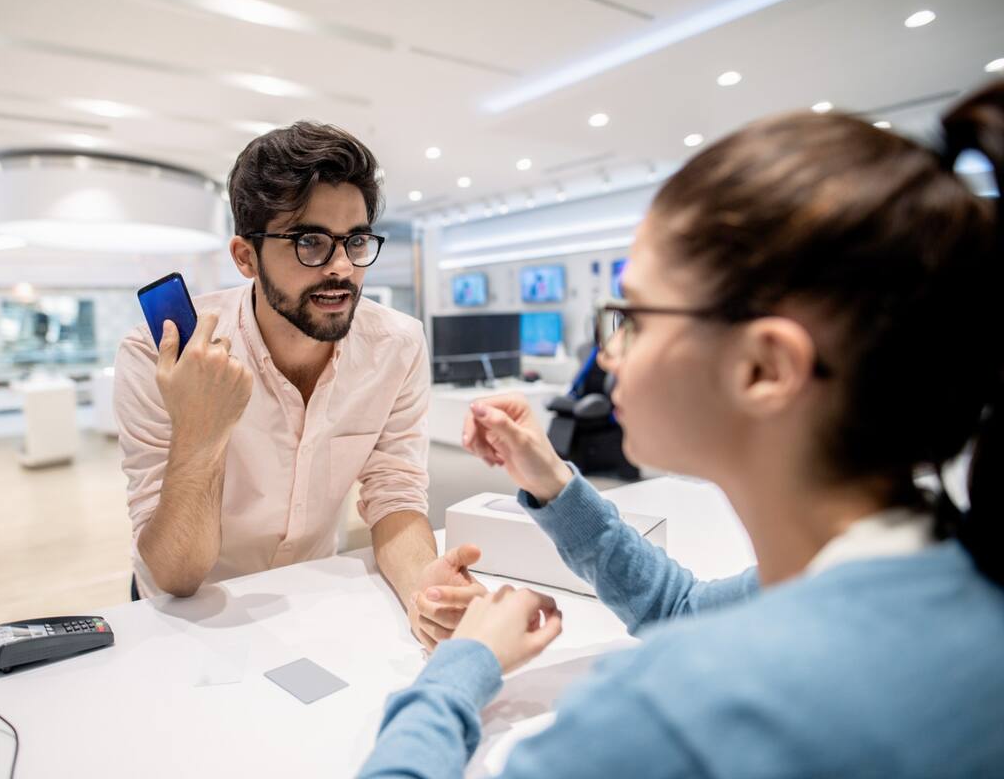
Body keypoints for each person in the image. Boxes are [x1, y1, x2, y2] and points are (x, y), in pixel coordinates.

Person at [359, 82, 1004, 777]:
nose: (608, 353)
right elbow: (684, 607)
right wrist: (551, 483)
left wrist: (463, 666)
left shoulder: (676, 717)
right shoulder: (943, 579)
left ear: (763, 368)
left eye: (634, 316)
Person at [114, 122, 483, 649]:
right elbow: (177, 573)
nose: (341, 268)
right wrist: (203, 429)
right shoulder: (159, 355)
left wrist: (425, 585)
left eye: (355, 241)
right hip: (181, 616)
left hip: (307, 598)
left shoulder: (396, 346)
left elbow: (394, 494)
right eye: (310, 241)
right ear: (245, 256)